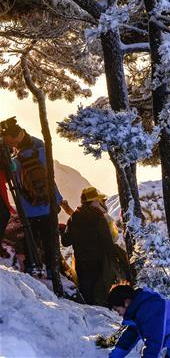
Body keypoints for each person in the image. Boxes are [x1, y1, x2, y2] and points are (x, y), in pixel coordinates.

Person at [1, 121, 66, 273]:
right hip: (49, 206)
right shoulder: (42, 152)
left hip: (29, 210)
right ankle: (52, 269)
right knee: (50, 240)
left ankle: (32, 267)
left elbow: (10, 176)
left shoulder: (15, 163)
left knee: (31, 239)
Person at [60, 186, 118, 305]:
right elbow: (107, 242)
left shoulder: (74, 218)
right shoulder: (99, 218)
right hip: (98, 262)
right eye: (96, 200)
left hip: (81, 262)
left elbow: (66, 242)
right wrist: (114, 260)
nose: (98, 203)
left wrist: (62, 230)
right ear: (91, 202)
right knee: (99, 292)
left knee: (86, 293)